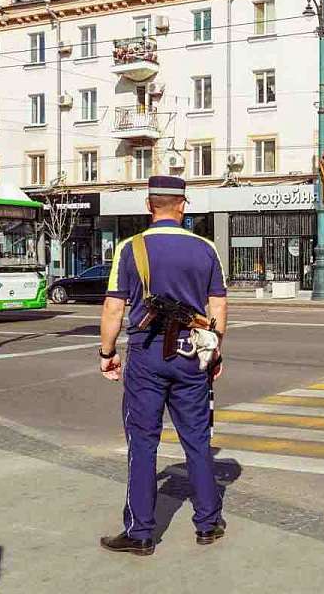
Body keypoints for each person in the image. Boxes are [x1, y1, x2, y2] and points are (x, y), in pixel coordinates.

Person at [98, 175, 228, 556]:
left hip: (147, 354)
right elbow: (217, 306)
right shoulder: (205, 248)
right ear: (183, 205)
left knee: (142, 441)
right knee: (197, 439)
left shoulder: (130, 248)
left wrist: (107, 354)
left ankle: (140, 533)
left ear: (148, 205)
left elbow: (113, 308)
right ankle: (207, 524)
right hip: (192, 356)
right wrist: (214, 352)